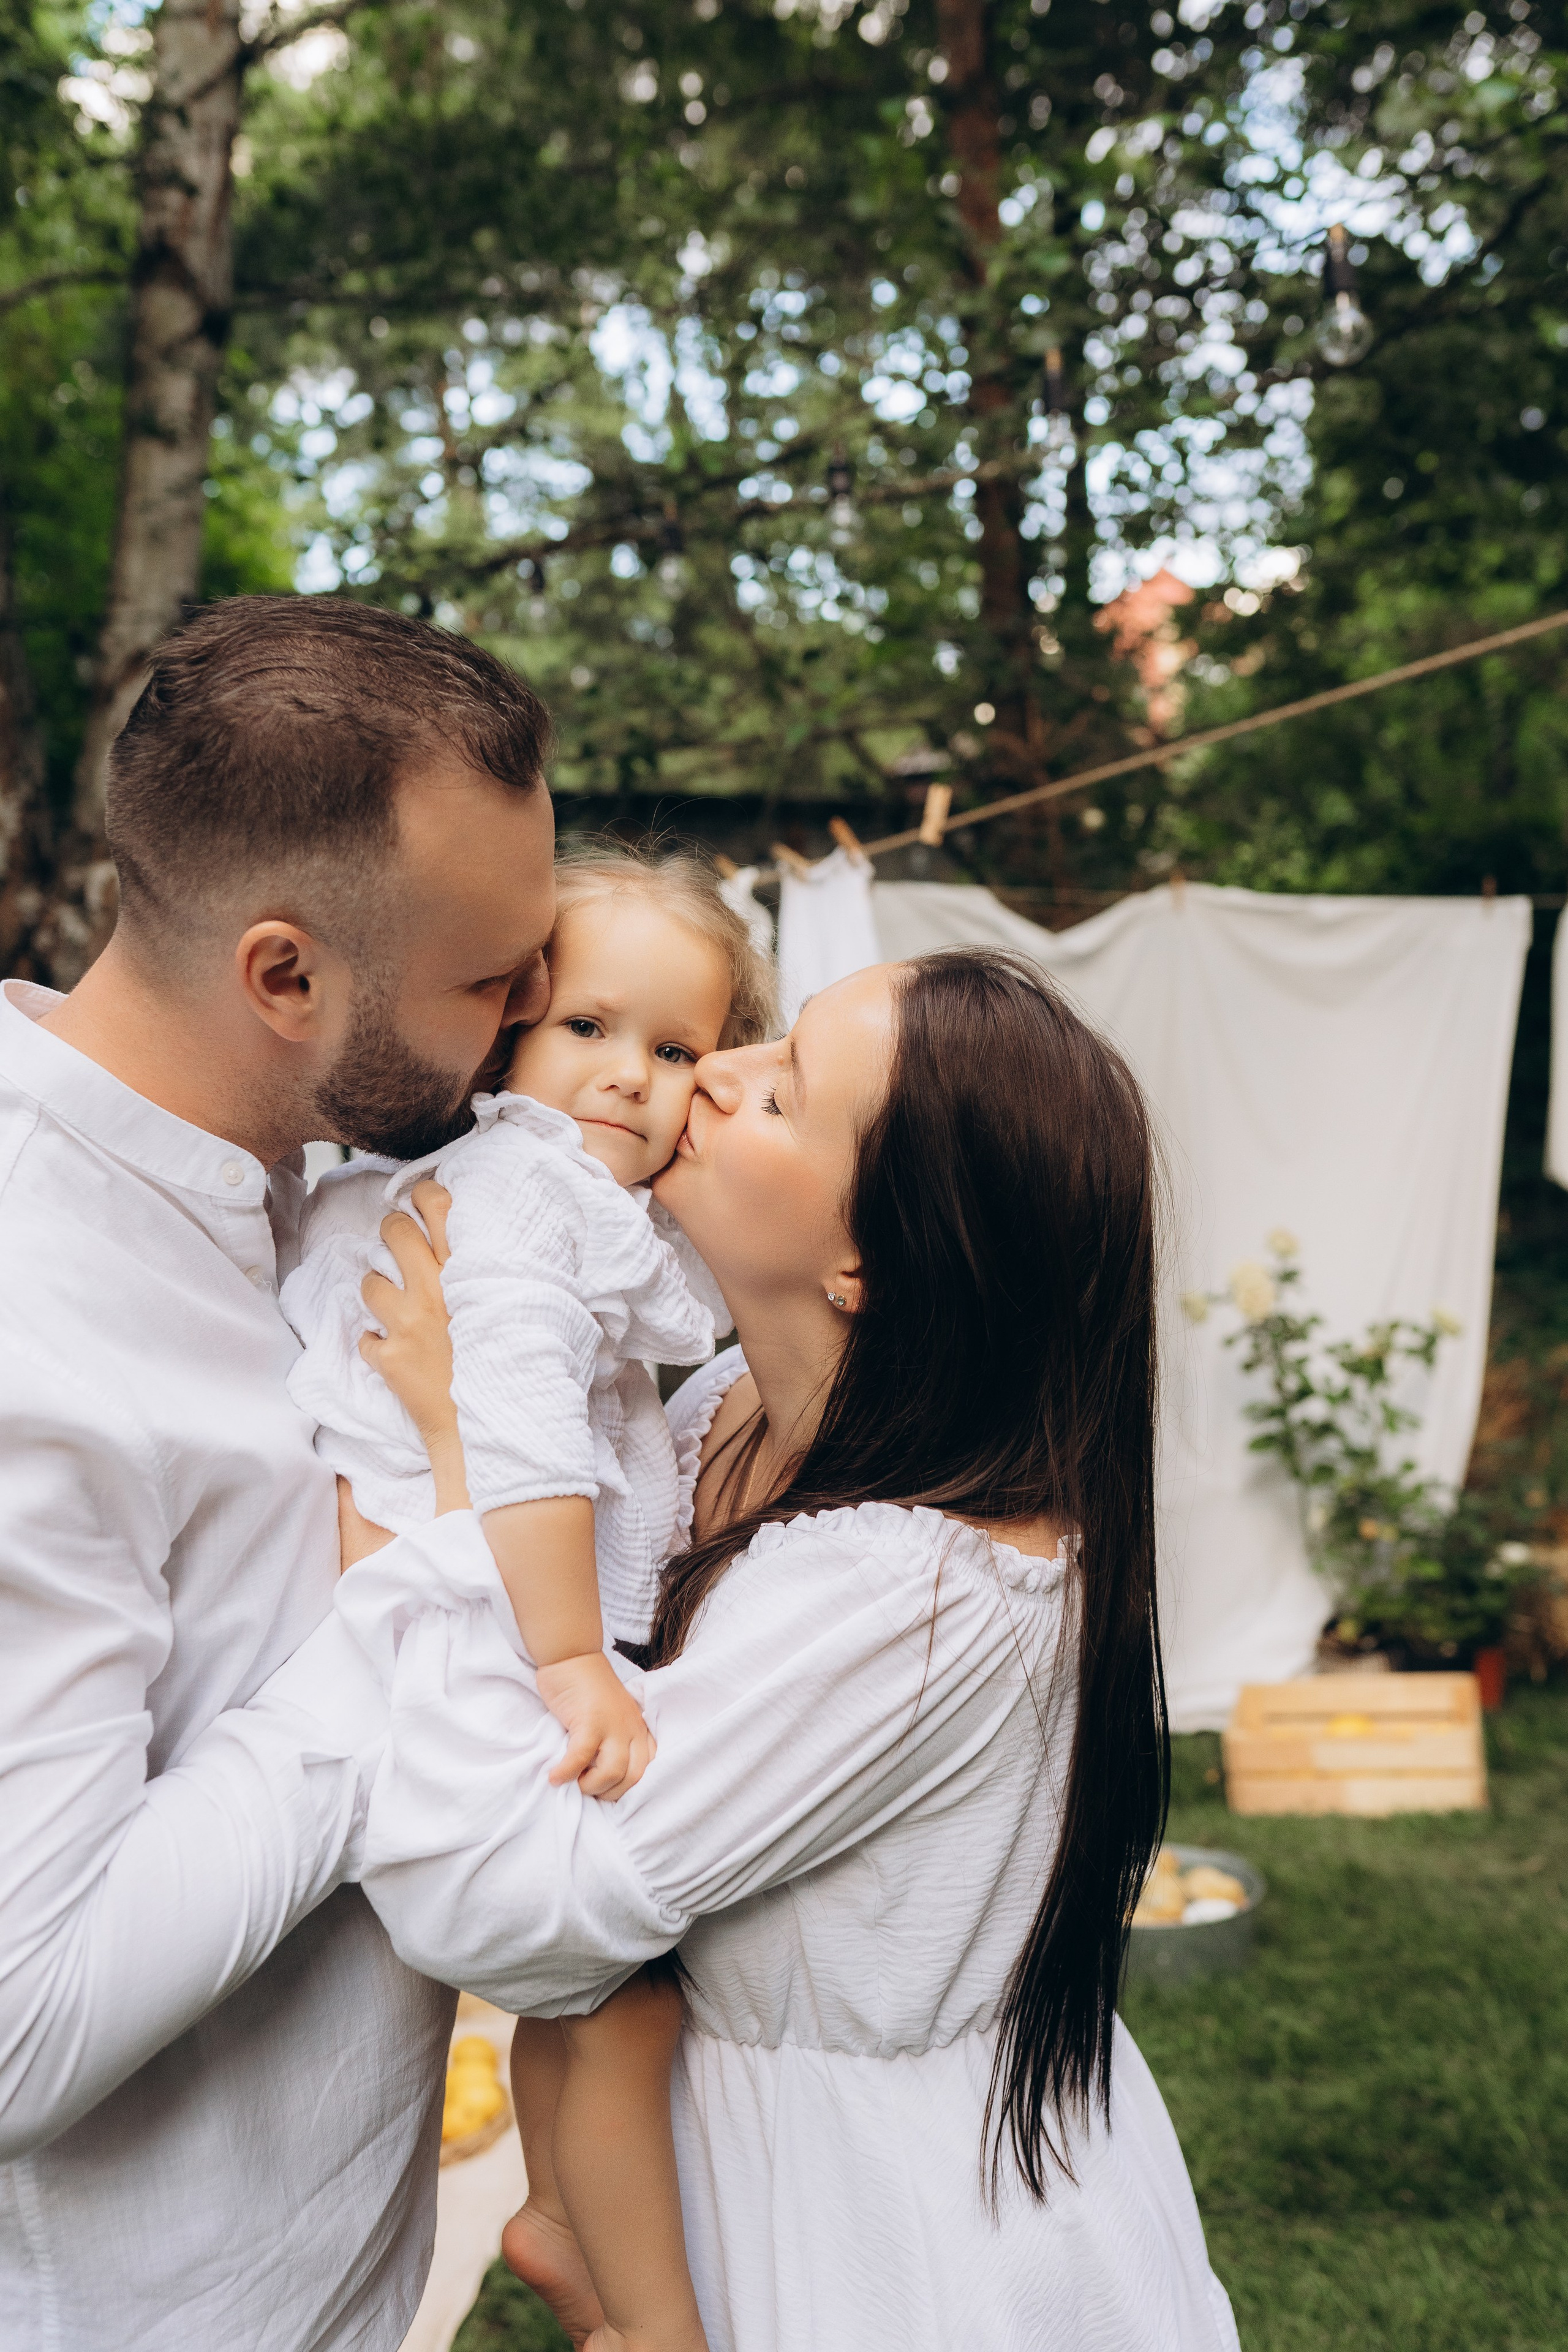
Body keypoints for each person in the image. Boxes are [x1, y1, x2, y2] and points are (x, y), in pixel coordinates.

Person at [306, 948, 1241, 2352]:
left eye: (785, 1090)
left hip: (880, 2236)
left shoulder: (918, 1594)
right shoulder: (733, 1412)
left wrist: (454, 1473)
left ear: (867, 1261)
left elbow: (523, 1917)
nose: (714, 1072)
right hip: (732, 2144)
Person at [0, 594, 557, 2351]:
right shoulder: (31, 1322)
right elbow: (22, 2024)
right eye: (492, 982)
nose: (542, 1013)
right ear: (286, 976)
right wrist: (427, 1565)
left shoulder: (332, 1193)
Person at [288, 849, 774, 2352]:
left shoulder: (544, 1194)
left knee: (586, 2004)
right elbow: (516, 1433)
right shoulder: (525, 1194)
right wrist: (576, 1660)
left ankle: (560, 2218)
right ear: (508, 1032)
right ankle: (650, 2322)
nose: (630, 1077)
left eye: (676, 1049)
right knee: (625, 2008)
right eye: (590, 1030)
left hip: (434, 1657)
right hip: (474, 1666)